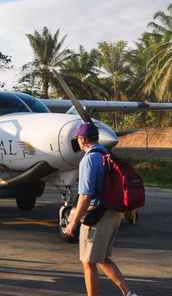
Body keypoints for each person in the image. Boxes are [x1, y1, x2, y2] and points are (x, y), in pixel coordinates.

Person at [65, 123, 138, 296]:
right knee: (103, 259)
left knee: (88, 262)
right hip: (113, 214)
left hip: (97, 217)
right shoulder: (107, 155)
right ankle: (129, 294)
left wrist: (73, 222)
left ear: (83, 139)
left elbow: (85, 195)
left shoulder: (89, 159)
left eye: (78, 138)